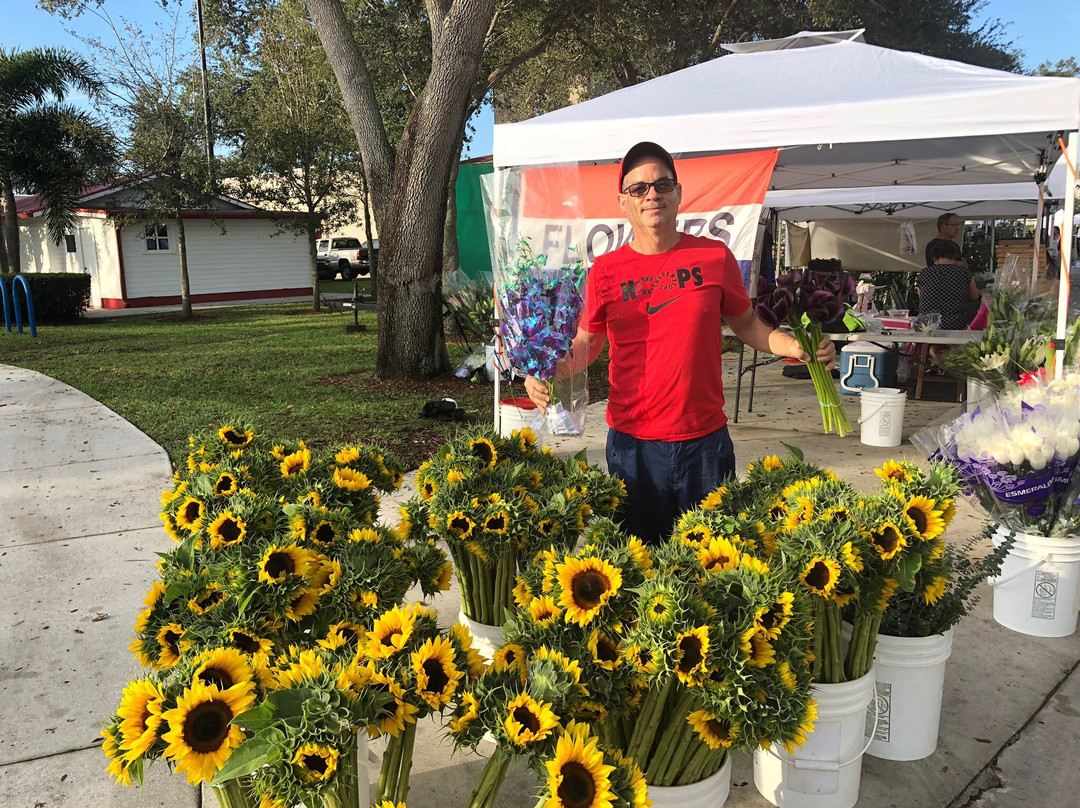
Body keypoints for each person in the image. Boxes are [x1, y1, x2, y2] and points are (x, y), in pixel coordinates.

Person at [523, 141, 836, 544]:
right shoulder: (604, 270)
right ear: (623, 202)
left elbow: (746, 323)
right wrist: (549, 369)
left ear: (678, 193)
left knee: (712, 568)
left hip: (704, 443)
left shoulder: (714, 257)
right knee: (642, 567)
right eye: (638, 189)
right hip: (634, 445)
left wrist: (794, 346)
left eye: (662, 184)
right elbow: (589, 342)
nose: (652, 194)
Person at [917, 241, 979, 331]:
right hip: (957, 323)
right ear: (954, 258)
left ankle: (931, 345)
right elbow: (975, 296)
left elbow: (922, 296)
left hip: (929, 322)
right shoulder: (964, 272)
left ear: (934, 258)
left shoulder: (924, 273)